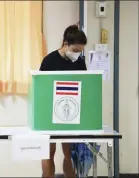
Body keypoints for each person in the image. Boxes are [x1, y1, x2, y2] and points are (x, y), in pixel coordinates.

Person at [40, 25, 87, 178]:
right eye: (75, 50)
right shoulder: (49, 61)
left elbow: (84, 85)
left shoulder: (79, 62)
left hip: (71, 112)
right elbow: (41, 88)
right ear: (65, 44)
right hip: (49, 112)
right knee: (48, 151)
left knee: (69, 152)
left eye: (80, 51)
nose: (77, 54)